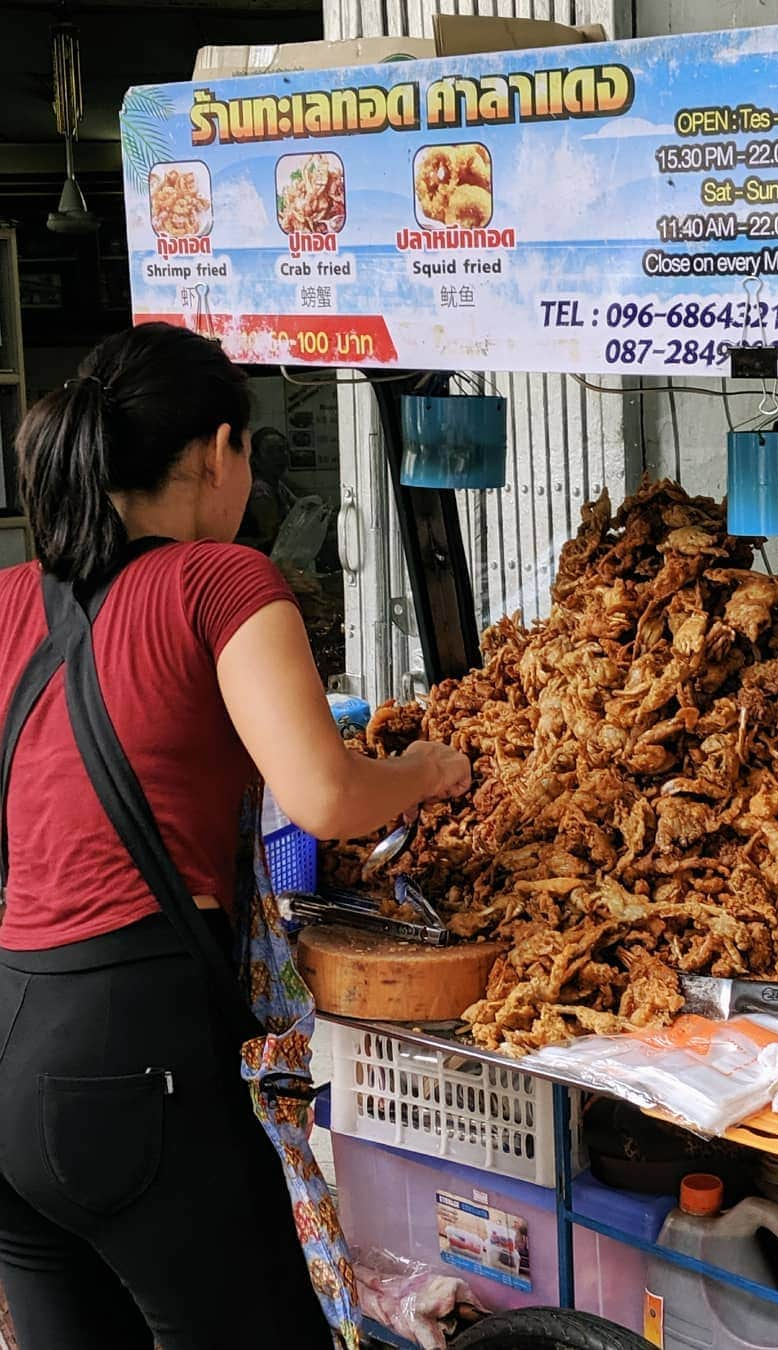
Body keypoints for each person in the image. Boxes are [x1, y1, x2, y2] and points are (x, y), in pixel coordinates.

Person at [0, 323, 472, 1349]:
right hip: (131, 1055)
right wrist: (429, 770)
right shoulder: (220, 579)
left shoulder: (10, 601)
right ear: (219, 451)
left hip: (10, 1035)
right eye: (249, 449)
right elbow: (327, 797)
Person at [237, 426, 296, 552]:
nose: (278, 456)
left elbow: (300, 506)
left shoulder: (278, 484)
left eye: (282, 449)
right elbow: (274, 535)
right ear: (256, 459)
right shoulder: (260, 490)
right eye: (270, 451)